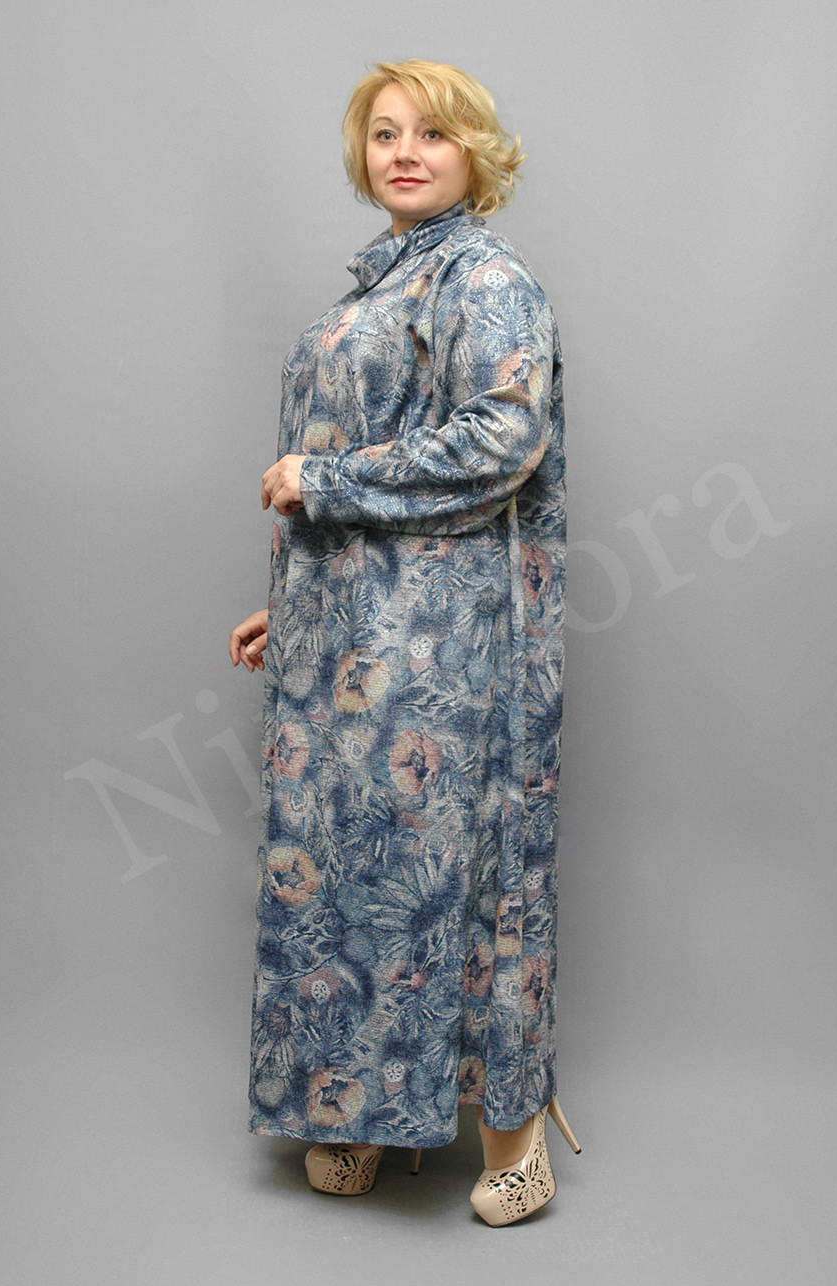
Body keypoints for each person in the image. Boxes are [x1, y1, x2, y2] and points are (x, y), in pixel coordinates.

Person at [229, 59, 579, 1226]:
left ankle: (514, 1134)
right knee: (352, 877)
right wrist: (297, 604)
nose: (405, 152)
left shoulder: (487, 277)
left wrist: (324, 480)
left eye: (432, 132)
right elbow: (359, 468)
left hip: (446, 649)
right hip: (346, 642)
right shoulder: (381, 283)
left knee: (458, 877)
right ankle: (364, 1109)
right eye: (384, 134)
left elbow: (500, 441)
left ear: (476, 150)